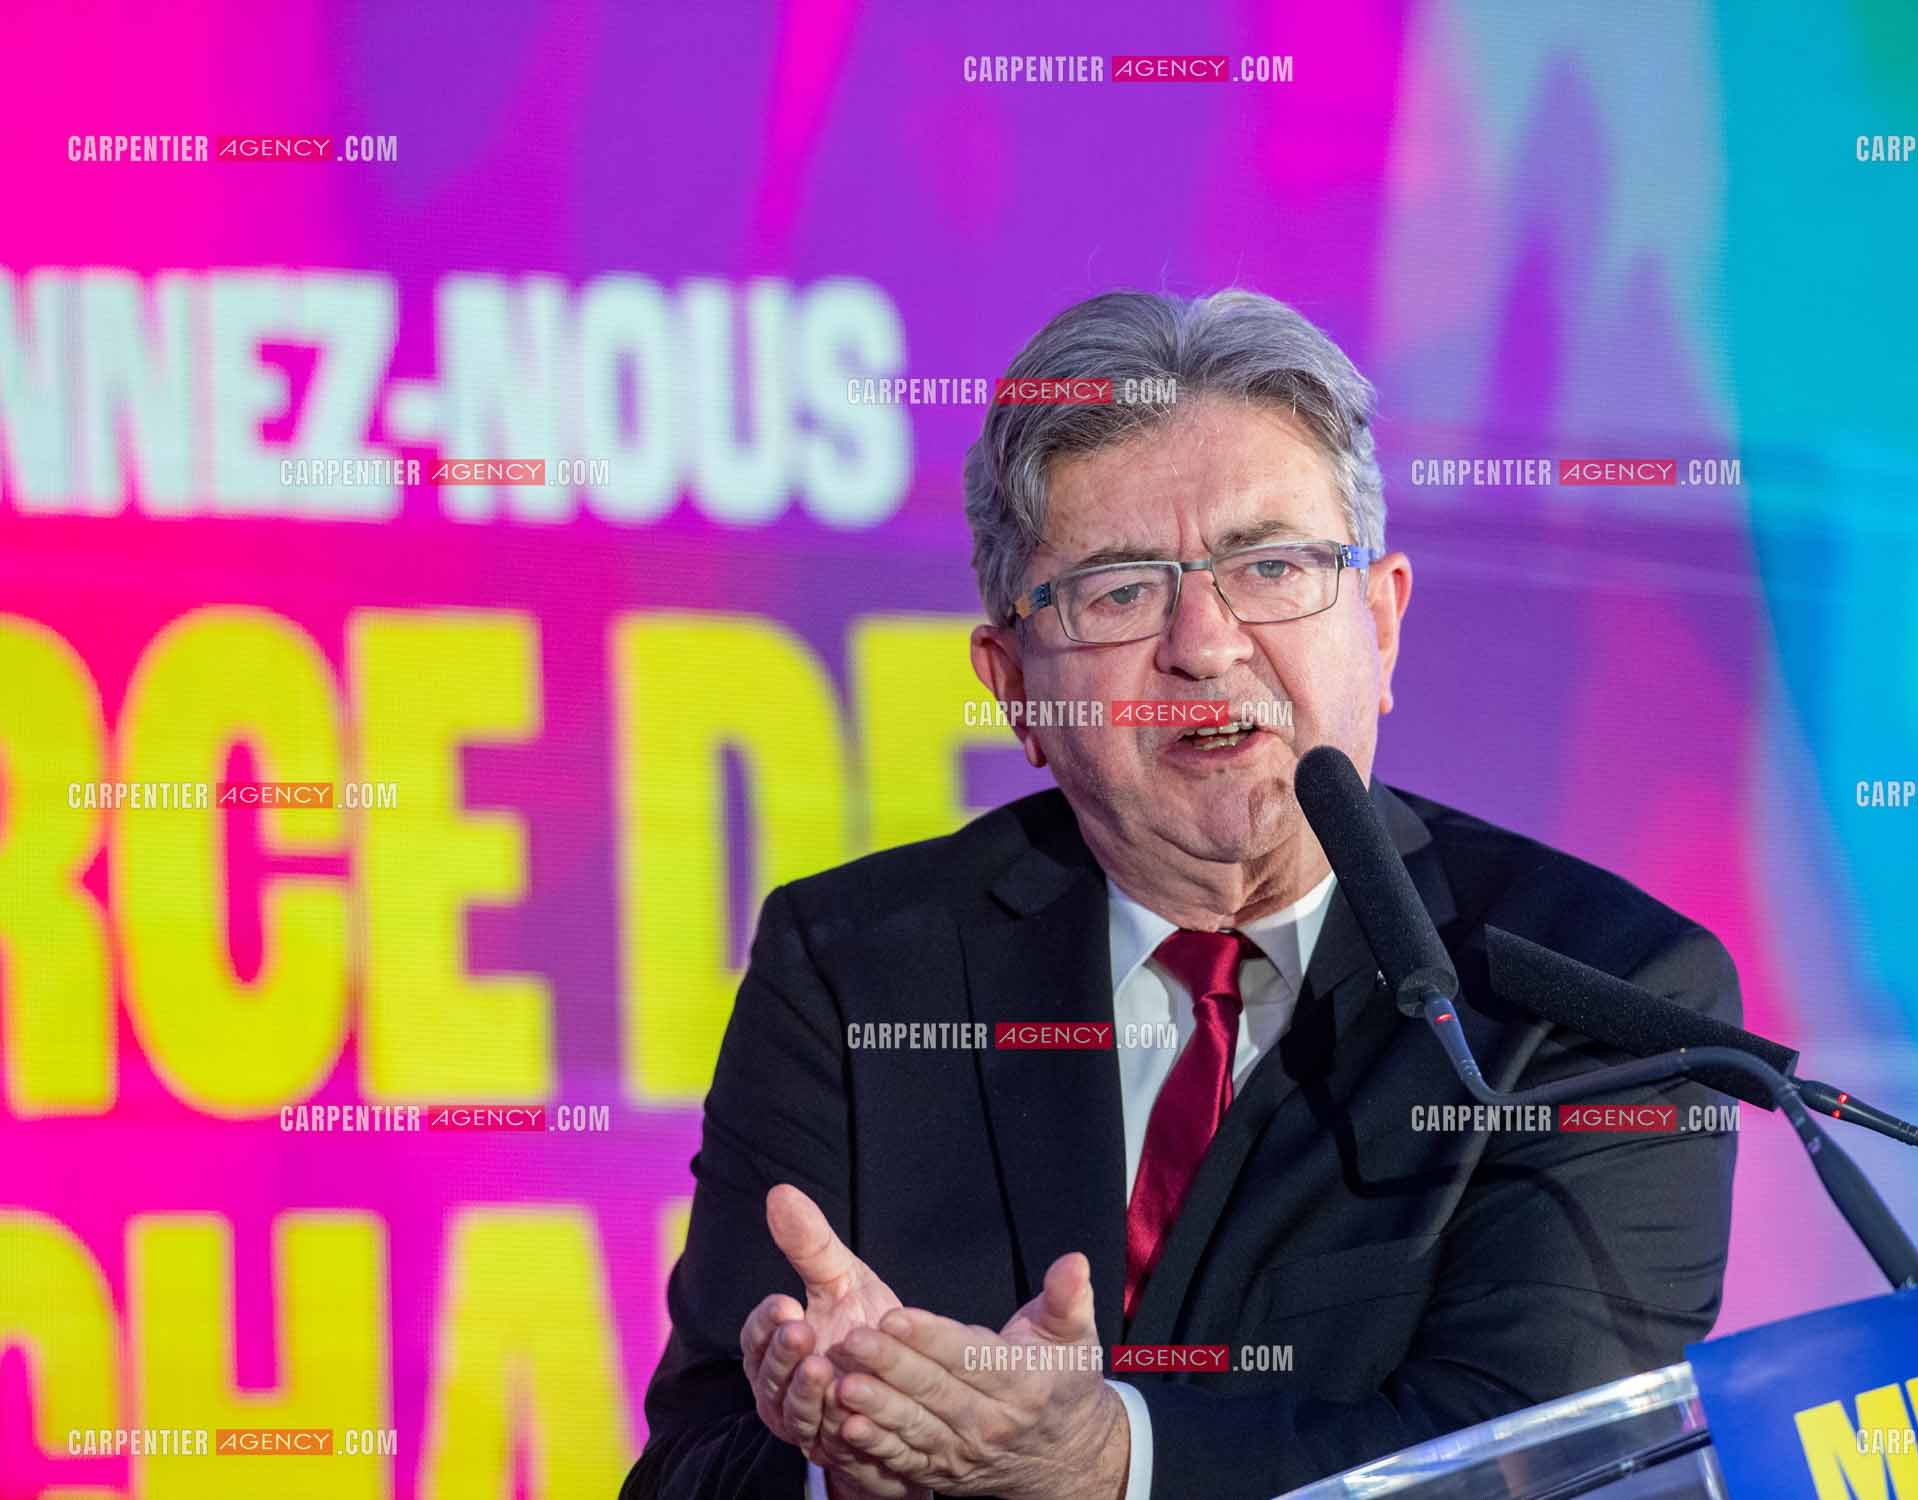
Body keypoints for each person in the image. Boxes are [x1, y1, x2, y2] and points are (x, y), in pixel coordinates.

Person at [621, 289, 1741, 1500]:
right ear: (1014, 688)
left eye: (1270, 565)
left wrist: (1105, 1463)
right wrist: (849, 1469)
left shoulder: (1603, 993)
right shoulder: (855, 970)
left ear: (1382, 623)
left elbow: (1545, 1466)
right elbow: (691, 1468)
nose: (1205, 646)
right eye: (1119, 591)